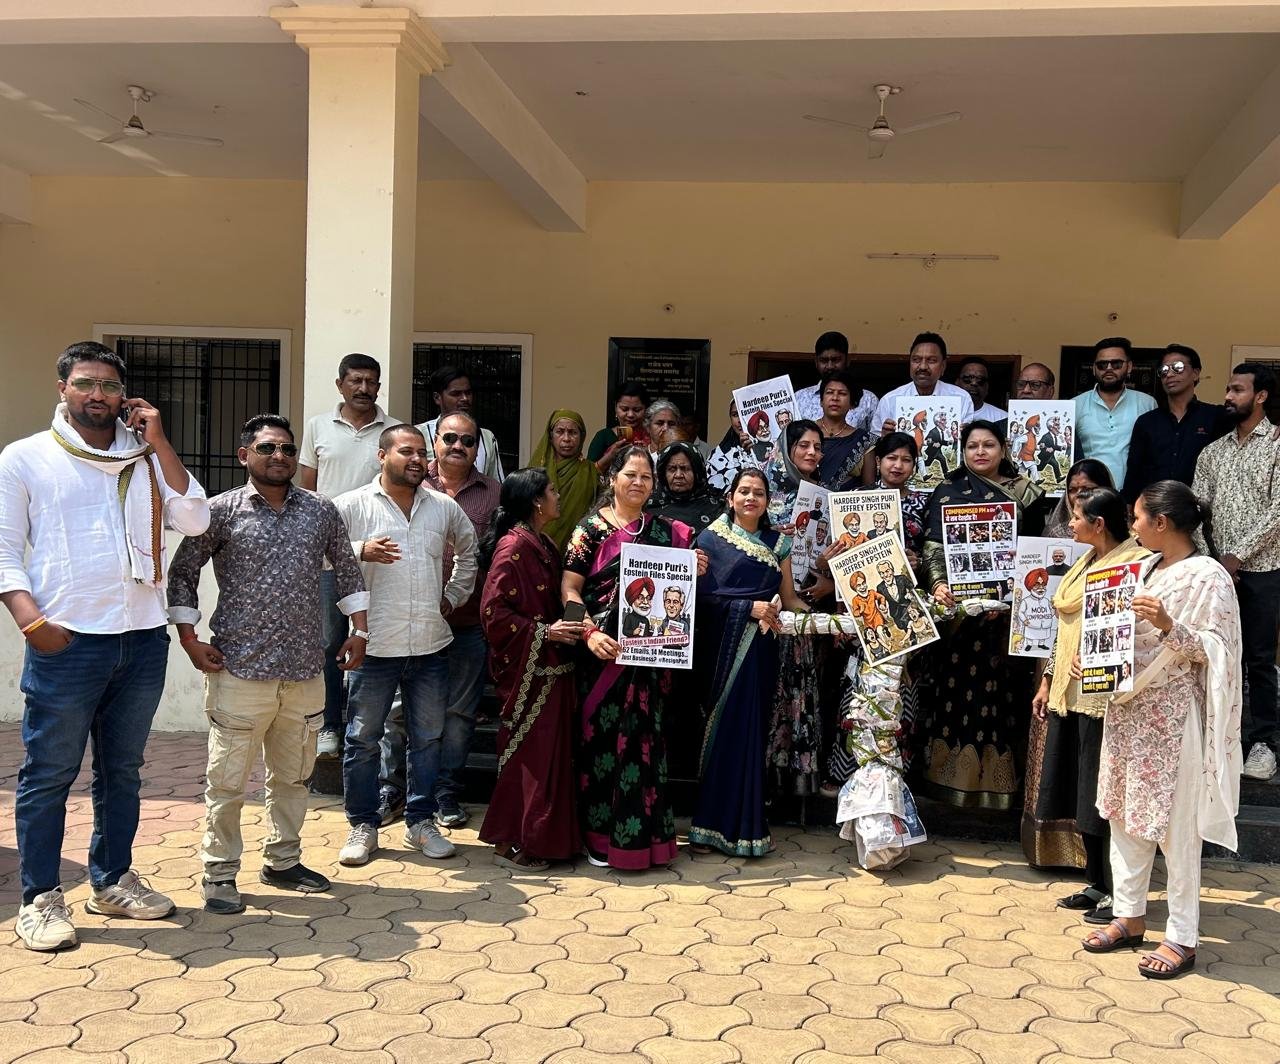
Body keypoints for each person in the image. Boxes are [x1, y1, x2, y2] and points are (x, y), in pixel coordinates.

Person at [1, 341, 209, 950]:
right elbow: (5, 549)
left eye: (110, 386)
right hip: (67, 640)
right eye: (86, 383)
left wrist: (160, 442)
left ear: (126, 396)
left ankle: (112, 881)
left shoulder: (144, 457)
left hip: (140, 636)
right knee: (49, 773)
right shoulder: (26, 457)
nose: (98, 395)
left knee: (122, 769)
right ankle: (41, 897)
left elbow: (194, 519)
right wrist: (31, 622)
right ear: (62, 388)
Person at [169, 414, 367, 915]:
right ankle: (219, 873)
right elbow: (183, 571)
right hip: (239, 668)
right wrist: (189, 638)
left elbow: (347, 569)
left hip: (304, 670)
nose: (279, 456)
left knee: (293, 777)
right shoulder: (221, 511)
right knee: (228, 781)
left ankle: (283, 861)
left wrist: (360, 630)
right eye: (267, 448)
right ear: (244, 456)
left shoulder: (320, 510)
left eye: (287, 449)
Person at [1082, 481, 1241, 980]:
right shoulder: (1142, 566)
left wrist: (1171, 626)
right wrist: (1091, 661)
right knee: (1125, 814)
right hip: (1127, 708)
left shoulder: (1209, 576)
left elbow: (1219, 651)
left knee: (1176, 827)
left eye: (1136, 518)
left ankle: (1182, 936)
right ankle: (1129, 915)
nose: (1132, 527)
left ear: (1161, 522)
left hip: (1172, 713)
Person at [333, 423, 477, 867]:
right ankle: (363, 825)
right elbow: (318, 553)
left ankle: (420, 822)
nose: (416, 460)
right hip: (373, 646)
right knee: (363, 740)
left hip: (430, 646)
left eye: (420, 453)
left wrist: (453, 596)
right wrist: (360, 549)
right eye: (405, 452)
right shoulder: (351, 505)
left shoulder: (443, 507)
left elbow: (469, 552)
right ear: (382, 456)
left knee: (427, 739)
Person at [562, 446, 706, 869]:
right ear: (613, 479)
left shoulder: (667, 532)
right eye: (630, 474)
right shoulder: (589, 530)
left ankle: (647, 841)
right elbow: (568, 589)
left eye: (646, 476)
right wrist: (587, 632)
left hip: (649, 662)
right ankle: (598, 838)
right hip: (601, 657)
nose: (638, 482)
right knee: (600, 745)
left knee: (645, 747)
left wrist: (695, 566)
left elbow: (681, 585)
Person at [1027, 488, 1149, 918]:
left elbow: (1134, 630)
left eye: (1077, 517)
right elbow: (1066, 630)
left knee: (1106, 795)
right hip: (1070, 691)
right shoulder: (1087, 561)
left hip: (1107, 698)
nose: (1071, 524)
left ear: (1099, 524)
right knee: (1083, 793)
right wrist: (1047, 680)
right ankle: (1097, 883)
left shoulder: (1135, 565)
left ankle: (1120, 891)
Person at [376, 413, 498, 829]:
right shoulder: (408, 482)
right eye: (450, 438)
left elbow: (491, 556)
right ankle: (391, 790)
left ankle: (445, 793)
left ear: (478, 448)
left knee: (458, 714)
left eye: (468, 440)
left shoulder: (493, 494)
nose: (458, 446)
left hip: (466, 621)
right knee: (396, 712)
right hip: (404, 622)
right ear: (436, 442)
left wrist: (453, 599)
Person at [919, 420, 1043, 808]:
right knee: (955, 691)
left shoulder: (1026, 494)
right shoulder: (948, 491)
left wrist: (1011, 598)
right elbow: (933, 545)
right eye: (972, 446)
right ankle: (947, 780)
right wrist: (939, 584)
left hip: (1005, 615)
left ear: (1004, 449)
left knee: (1000, 696)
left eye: (988, 445)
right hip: (959, 614)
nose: (980, 452)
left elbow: (1035, 551)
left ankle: (997, 785)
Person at [690, 468, 806, 856]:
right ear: (730, 497)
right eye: (743, 491)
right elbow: (699, 601)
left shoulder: (779, 543)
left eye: (758, 492)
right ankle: (708, 828)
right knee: (724, 732)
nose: (750, 498)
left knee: (751, 734)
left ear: (768, 501)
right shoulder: (709, 540)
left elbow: (790, 599)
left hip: (760, 650)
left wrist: (833, 618)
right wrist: (746, 607)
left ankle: (746, 831)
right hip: (721, 651)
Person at [478, 469, 585, 869]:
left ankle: (538, 840)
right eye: (553, 491)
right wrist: (545, 632)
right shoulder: (513, 547)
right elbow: (493, 612)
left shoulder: (543, 542)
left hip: (553, 667)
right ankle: (514, 842)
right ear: (537, 501)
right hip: (531, 670)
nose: (558, 496)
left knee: (550, 756)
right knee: (530, 756)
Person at [1192, 362, 1280, 781]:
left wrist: (1238, 557)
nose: (1228, 397)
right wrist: (1213, 560)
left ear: (1260, 396)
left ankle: (1264, 745)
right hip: (1217, 573)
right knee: (1217, 656)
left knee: (1259, 659)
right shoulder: (1213, 452)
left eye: (1238, 390)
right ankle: (1218, 743)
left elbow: (1278, 512)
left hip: (1263, 570)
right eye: (1228, 389)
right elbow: (1196, 510)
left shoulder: (1277, 446)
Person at [298, 353, 388, 759]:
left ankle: (370, 726)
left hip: (379, 555)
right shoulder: (318, 427)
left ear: (378, 387)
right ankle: (330, 726)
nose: (363, 388)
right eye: (356, 380)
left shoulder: (392, 430)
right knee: (329, 642)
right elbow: (308, 492)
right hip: (328, 558)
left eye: (370, 382)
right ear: (341, 385)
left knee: (375, 640)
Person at [763, 420, 831, 796]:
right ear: (787, 449)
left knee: (798, 694)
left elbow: (824, 554)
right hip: (772, 614)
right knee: (773, 692)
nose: (811, 452)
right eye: (803, 445)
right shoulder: (765, 494)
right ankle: (766, 782)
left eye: (817, 447)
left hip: (809, 608)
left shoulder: (824, 496)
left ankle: (794, 781)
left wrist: (827, 575)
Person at [1123, 345, 1229, 503]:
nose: (1169, 374)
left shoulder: (1216, 416)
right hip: (1154, 508)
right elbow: (1134, 470)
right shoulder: (1147, 422)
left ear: (1195, 373)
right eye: (1163, 370)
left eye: (1178, 367)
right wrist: (1129, 504)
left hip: (1198, 506)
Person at [1073, 337, 1157, 490]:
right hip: (1088, 494)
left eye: (1116, 364)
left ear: (1129, 366)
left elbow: (1153, 454)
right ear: (1094, 369)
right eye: (1102, 364)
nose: (1109, 368)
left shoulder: (1147, 403)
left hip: (1134, 494)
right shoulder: (1076, 404)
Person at [871, 332, 975, 439]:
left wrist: (966, 436)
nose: (923, 367)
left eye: (931, 360)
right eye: (916, 360)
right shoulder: (889, 401)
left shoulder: (961, 398)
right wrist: (884, 439)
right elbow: (874, 443)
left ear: (943, 366)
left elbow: (971, 443)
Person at [416, 366, 504, 481]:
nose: (464, 398)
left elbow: (496, 483)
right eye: (456, 394)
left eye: (468, 393)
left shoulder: (487, 437)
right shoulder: (419, 434)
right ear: (437, 398)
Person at [530, 409, 598, 550]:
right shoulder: (535, 469)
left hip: (577, 550)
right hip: (536, 548)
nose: (566, 438)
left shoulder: (590, 472)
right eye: (560, 432)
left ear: (582, 437)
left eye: (573, 432)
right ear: (550, 436)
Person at [794, 331, 879, 433]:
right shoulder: (798, 398)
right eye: (824, 360)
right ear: (816, 362)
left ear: (847, 360)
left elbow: (876, 439)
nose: (830, 366)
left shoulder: (868, 400)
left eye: (835, 360)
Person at [814, 370, 872, 491]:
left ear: (852, 403)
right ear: (821, 401)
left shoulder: (864, 441)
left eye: (842, 393)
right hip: (807, 501)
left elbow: (869, 491)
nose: (835, 398)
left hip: (848, 503)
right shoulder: (804, 433)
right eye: (829, 392)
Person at [647, 441, 724, 530]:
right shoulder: (650, 506)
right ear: (663, 474)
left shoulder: (717, 508)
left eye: (685, 469)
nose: (678, 475)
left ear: (697, 472)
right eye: (672, 469)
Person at [1042, 459, 1115, 538]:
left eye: (1087, 489)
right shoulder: (1055, 534)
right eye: (1072, 490)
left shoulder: (1121, 529)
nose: (1079, 496)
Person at [588, 381, 651, 469]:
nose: (630, 415)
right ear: (616, 408)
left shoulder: (653, 436)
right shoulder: (603, 436)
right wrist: (609, 456)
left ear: (646, 409)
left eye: (637, 410)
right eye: (624, 409)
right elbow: (588, 473)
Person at [706, 398, 760, 493]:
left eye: (745, 414)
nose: (740, 420)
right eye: (735, 415)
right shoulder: (719, 455)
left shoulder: (773, 450)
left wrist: (757, 451)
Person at [957, 357, 1006, 422]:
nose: (974, 383)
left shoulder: (1002, 418)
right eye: (967, 378)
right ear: (957, 382)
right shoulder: (944, 413)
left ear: (987, 386)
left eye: (980, 380)